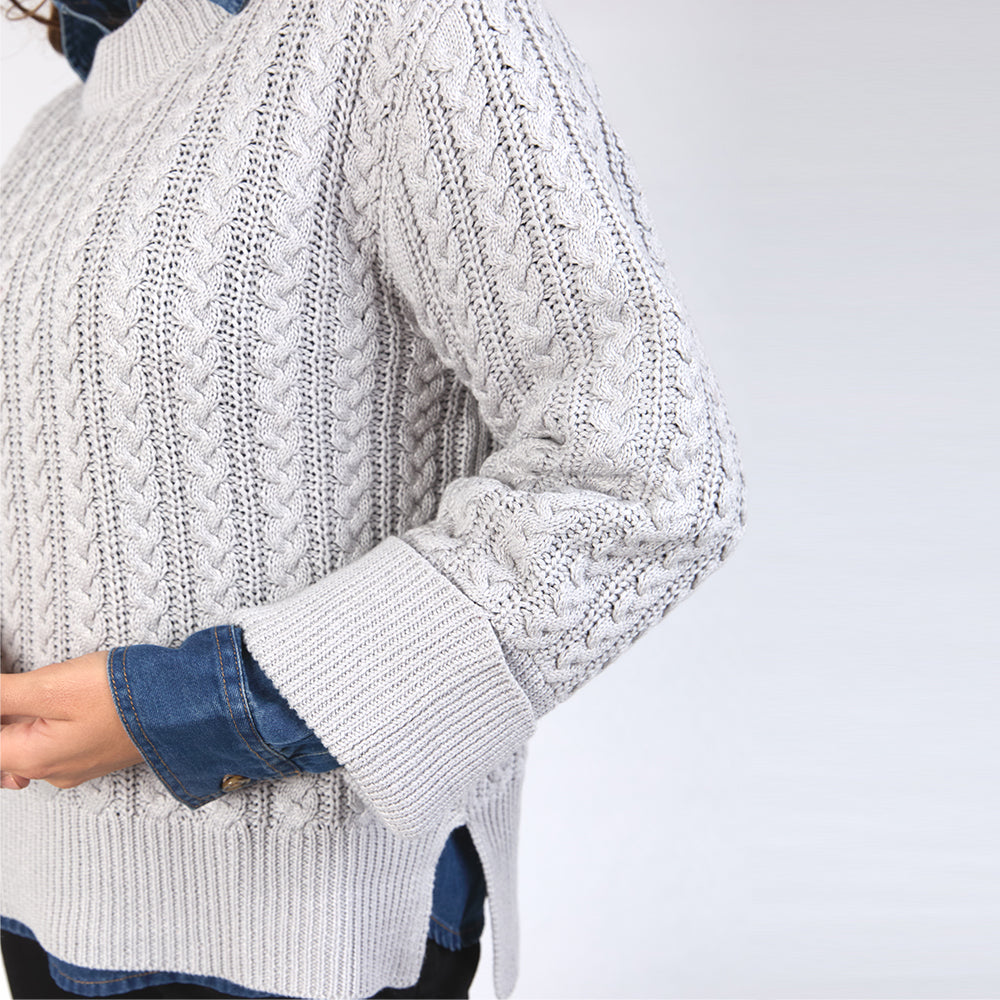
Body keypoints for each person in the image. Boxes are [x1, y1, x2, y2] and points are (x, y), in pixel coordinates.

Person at [0, 0, 748, 997]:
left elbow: (650, 474)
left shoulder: (410, 29)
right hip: (44, 905)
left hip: (304, 938)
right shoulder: (59, 132)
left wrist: (197, 710)